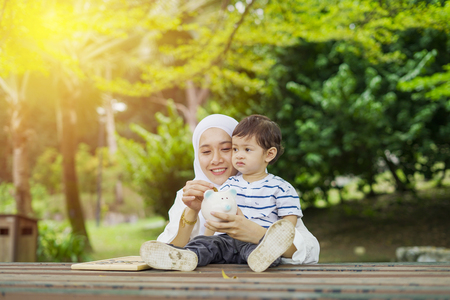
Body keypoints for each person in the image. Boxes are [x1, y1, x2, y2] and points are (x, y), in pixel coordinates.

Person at [140, 114, 319, 272]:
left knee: (260, 254)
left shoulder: (272, 188)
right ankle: (189, 258)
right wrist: (193, 211)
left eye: (226, 149)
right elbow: (170, 247)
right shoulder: (187, 194)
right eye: (206, 151)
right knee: (203, 246)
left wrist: (257, 234)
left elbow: (308, 249)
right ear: (197, 154)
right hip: (203, 284)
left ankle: (260, 258)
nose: (216, 159)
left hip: (256, 280)